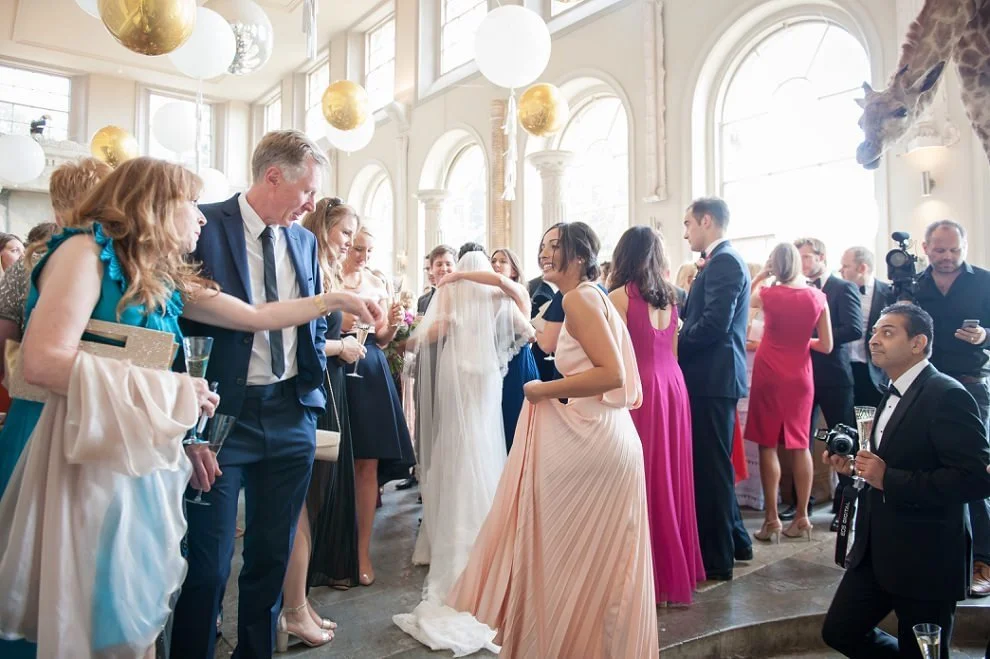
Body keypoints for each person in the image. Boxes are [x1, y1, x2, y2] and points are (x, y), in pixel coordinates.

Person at [0, 157, 378, 659]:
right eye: (188, 205)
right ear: (153, 206)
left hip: (129, 453)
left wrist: (333, 299)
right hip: (70, 452)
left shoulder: (158, 278)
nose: (201, 218)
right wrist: (178, 396)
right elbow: (42, 361)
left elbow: (256, 316)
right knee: (72, 605)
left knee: (117, 611)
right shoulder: (82, 254)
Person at [171, 131, 380, 659]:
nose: (312, 205)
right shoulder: (203, 224)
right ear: (272, 176)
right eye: (307, 192)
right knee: (211, 563)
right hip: (223, 418)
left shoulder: (305, 242)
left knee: (271, 556)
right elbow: (176, 325)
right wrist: (189, 423)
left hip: (290, 412)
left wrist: (309, 393)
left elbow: (308, 324)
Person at [448, 222, 658, 658]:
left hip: (597, 441)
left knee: (575, 562)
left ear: (579, 256)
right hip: (607, 435)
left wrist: (541, 390)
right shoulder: (588, 296)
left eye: (555, 247)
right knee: (594, 568)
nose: (544, 254)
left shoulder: (580, 298)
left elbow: (612, 374)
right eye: (542, 246)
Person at [821, 303, 990, 659]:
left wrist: (889, 478)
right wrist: (854, 467)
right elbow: (893, 458)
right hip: (877, 550)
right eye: (874, 332)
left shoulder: (948, 394)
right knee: (840, 630)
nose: (873, 340)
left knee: (925, 652)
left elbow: (974, 480)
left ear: (918, 343)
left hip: (926, 556)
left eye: (887, 332)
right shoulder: (891, 389)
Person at [393, 250, 533, 655]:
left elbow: (415, 341)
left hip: (458, 378)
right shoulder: (497, 300)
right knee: (486, 451)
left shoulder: (452, 301)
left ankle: (450, 540)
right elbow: (527, 331)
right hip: (485, 380)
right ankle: (490, 542)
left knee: (457, 455)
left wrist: (437, 326)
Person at [276, 198, 366, 650]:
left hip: (325, 387)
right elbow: (298, 339)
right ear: (323, 225)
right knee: (302, 503)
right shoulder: (306, 264)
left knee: (314, 500)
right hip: (311, 390)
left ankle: (299, 602)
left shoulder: (323, 268)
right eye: (345, 232)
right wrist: (341, 348)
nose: (349, 242)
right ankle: (291, 609)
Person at [608, 225, 704, 605]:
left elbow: (613, 357)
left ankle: (648, 575)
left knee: (645, 479)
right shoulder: (671, 296)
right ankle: (670, 574)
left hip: (642, 390)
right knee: (670, 477)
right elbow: (675, 352)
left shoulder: (617, 297)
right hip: (673, 387)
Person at [912, 219, 990, 597]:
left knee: (974, 473)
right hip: (924, 386)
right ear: (926, 248)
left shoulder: (983, 282)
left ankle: (984, 561)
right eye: (939, 250)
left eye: (954, 250)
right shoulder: (913, 285)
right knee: (926, 469)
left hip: (971, 388)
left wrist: (985, 335)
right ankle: (935, 554)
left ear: (965, 247)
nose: (947, 257)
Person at [678, 197, 753, 580]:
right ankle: (738, 541)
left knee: (711, 470)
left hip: (712, 377)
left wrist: (675, 339)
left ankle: (718, 558)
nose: (686, 230)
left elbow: (713, 324)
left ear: (707, 221)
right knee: (715, 465)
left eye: (688, 222)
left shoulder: (724, 261)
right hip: (712, 377)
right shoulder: (721, 260)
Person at [339, 227, 414, 585]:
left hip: (368, 369)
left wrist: (392, 326)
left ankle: (361, 551)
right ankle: (330, 550)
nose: (363, 256)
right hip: (334, 366)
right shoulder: (327, 274)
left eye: (368, 250)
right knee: (331, 461)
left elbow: (381, 337)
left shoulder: (374, 282)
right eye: (357, 248)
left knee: (366, 461)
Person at [745, 243, 832, 543]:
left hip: (769, 370)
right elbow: (827, 345)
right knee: (800, 443)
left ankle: (771, 520)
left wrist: (762, 275)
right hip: (800, 375)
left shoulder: (769, 294)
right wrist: (802, 343)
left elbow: (748, 298)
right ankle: (803, 517)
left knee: (767, 444)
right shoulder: (817, 296)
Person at [791, 237, 863, 529]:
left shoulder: (842, 287)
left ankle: (844, 509)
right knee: (802, 440)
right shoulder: (795, 289)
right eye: (798, 258)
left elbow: (854, 328)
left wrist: (813, 338)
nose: (801, 263)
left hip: (834, 376)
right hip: (801, 376)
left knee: (840, 441)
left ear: (821, 257)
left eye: (806, 257)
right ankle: (801, 507)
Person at [489, 247, 539, 448]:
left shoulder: (519, 292)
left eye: (502, 261)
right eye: (493, 261)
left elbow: (529, 335)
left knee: (516, 416)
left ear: (514, 271)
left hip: (518, 362)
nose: (496, 265)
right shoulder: (491, 297)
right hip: (497, 363)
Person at [839, 246, 892, 409]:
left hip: (875, 370)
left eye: (846, 266)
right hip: (843, 369)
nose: (841, 270)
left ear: (862, 268)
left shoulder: (889, 293)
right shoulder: (837, 291)